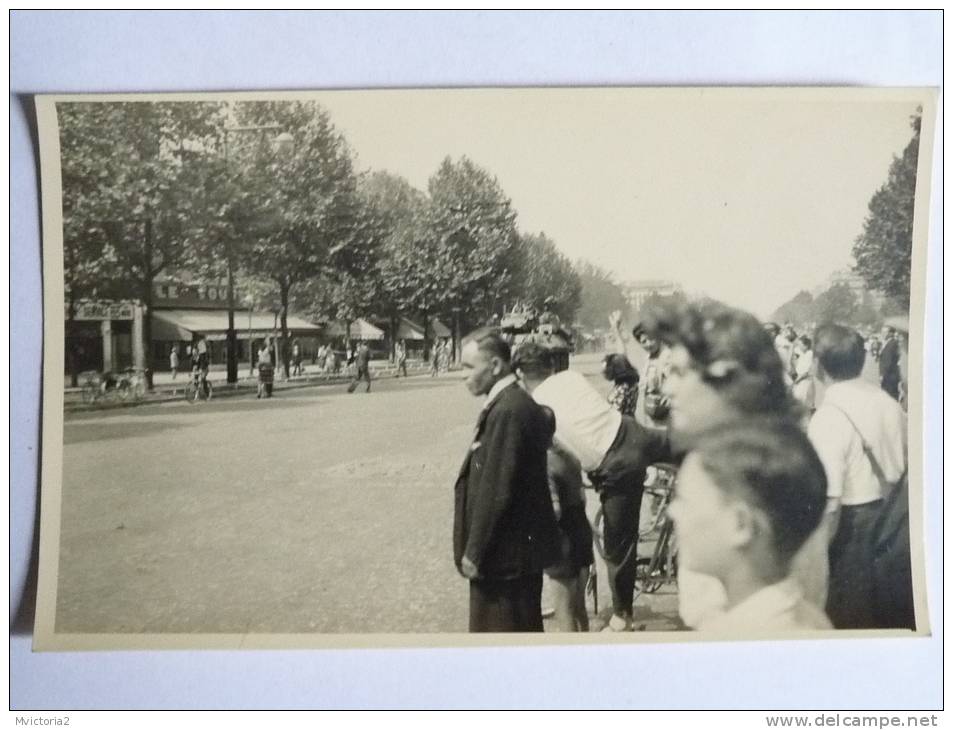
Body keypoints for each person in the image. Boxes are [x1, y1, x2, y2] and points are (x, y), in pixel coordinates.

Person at [629, 298, 833, 628]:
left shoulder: (767, 468)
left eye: (680, 373)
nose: (668, 387)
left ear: (729, 378)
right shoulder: (730, 452)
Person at [513, 341, 668, 632]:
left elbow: (557, 455)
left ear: (520, 373)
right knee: (683, 445)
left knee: (618, 546)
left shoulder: (533, 408)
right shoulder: (571, 378)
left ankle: (623, 616)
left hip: (615, 464)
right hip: (631, 431)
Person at [670, 421, 832, 632]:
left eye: (685, 501)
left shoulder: (748, 639)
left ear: (740, 524)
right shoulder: (807, 619)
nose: (672, 511)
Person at [454, 330, 561, 632]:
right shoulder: (511, 402)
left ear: (497, 366)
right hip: (513, 555)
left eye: (468, 367)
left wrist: (474, 551)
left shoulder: (508, 410)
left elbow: (496, 487)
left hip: (503, 560)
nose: (463, 376)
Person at [809, 324, 909, 629]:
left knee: (848, 626)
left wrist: (814, 567)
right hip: (895, 527)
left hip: (852, 536)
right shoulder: (890, 404)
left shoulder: (827, 417)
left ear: (816, 363)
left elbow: (831, 505)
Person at [543, 423, 594, 632]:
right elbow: (582, 498)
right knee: (579, 608)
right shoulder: (568, 455)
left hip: (562, 541)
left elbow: (554, 511)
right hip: (581, 531)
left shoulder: (544, 463)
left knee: (564, 612)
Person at [611, 315, 670, 433]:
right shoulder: (647, 358)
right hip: (649, 416)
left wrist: (672, 396)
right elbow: (623, 358)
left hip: (666, 419)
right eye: (644, 341)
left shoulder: (667, 355)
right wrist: (616, 330)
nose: (648, 344)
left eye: (651, 339)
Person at [601, 352, 639, 417]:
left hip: (620, 423)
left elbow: (616, 412)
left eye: (606, 370)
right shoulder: (631, 384)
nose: (603, 372)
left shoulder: (623, 388)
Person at [791, 335, 816, 414]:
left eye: (800, 345)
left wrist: (796, 381)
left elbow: (805, 373)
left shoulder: (809, 354)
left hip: (804, 381)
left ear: (806, 346)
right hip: (802, 380)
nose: (799, 347)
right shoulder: (803, 354)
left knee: (801, 402)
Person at [879, 326, 902, 400]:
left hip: (890, 376)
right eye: (882, 332)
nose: (882, 334)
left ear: (891, 333)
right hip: (889, 375)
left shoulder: (892, 344)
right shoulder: (888, 343)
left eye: (884, 332)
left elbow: (888, 361)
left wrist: (882, 374)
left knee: (889, 396)